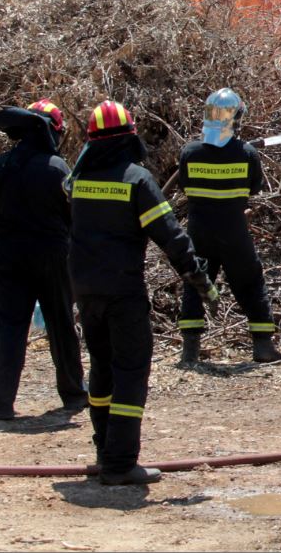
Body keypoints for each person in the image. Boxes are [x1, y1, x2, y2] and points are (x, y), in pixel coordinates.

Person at [67, 100, 217, 485]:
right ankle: (120, 463)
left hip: (85, 291)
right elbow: (169, 235)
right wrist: (198, 277)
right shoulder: (136, 179)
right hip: (122, 292)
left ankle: (105, 450)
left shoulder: (78, 179)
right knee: (131, 372)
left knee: (101, 369)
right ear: (130, 136)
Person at [0, 100, 86, 419]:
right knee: (60, 325)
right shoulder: (57, 167)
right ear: (54, 131)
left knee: (10, 328)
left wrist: (0, 223)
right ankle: (74, 395)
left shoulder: (2, 164)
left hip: (9, 256)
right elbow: (75, 215)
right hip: (52, 256)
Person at [176, 88, 281, 365]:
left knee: (194, 285)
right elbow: (254, 188)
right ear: (236, 117)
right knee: (250, 282)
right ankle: (263, 347)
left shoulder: (189, 152)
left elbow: (185, 185)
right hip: (234, 232)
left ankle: (189, 353)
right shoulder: (247, 154)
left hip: (199, 231)